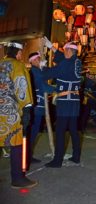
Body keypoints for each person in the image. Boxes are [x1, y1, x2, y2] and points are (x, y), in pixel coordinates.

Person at [0, 41, 38, 188]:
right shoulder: (18, 66)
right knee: (16, 144)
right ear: (17, 53)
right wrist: (27, 109)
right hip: (11, 113)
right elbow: (22, 88)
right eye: (21, 53)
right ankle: (17, 178)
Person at [42, 37, 82, 168]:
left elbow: (50, 74)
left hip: (65, 102)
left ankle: (57, 160)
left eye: (65, 50)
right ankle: (76, 157)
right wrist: (51, 48)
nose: (63, 52)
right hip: (75, 102)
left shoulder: (66, 64)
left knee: (59, 131)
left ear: (70, 51)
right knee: (73, 130)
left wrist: (42, 67)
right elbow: (63, 59)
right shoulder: (77, 62)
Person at [28, 51, 56, 163]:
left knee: (34, 130)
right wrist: (56, 89)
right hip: (37, 105)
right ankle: (26, 156)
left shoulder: (37, 71)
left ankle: (27, 155)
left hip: (38, 104)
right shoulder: (35, 71)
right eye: (38, 59)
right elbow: (43, 86)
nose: (40, 61)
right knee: (33, 130)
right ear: (34, 61)